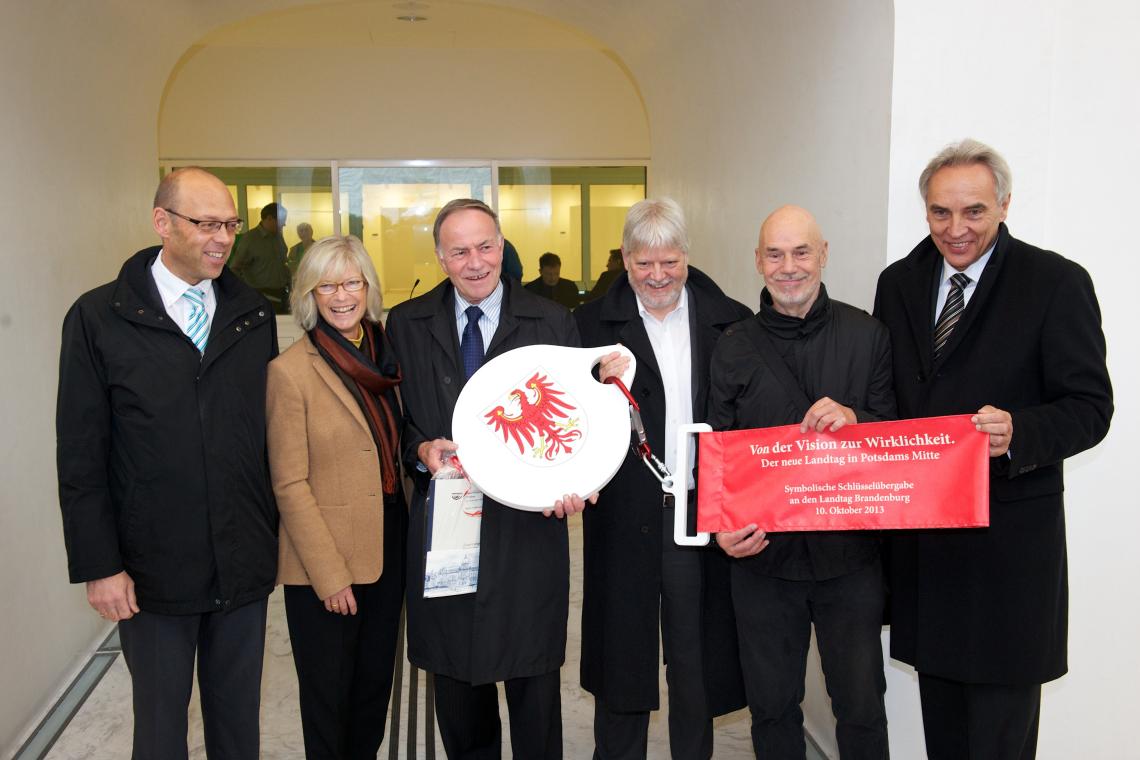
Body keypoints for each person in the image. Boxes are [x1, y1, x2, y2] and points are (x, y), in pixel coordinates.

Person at [873, 139, 1113, 759]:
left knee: (1002, 741)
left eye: (974, 212)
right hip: (928, 554)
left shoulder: (1055, 282)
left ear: (1004, 205)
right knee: (944, 737)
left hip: (1007, 557)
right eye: (940, 213)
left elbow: (1091, 407)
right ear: (924, 211)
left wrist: (1020, 433)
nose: (956, 230)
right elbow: (890, 400)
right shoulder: (897, 283)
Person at [56, 167, 278, 759]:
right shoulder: (98, 318)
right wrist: (100, 564)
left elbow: (262, 435)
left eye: (230, 224)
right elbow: (80, 454)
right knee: (159, 731)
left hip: (241, 563)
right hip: (151, 574)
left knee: (238, 728)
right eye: (207, 224)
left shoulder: (252, 316)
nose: (224, 239)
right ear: (163, 223)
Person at [385, 198, 587, 759]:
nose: (476, 262)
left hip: (527, 528)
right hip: (446, 524)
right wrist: (419, 447)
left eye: (486, 246)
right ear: (440, 257)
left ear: (503, 247)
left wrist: (577, 480)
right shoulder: (406, 323)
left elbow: (578, 424)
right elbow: (391, 426)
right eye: (459, 251)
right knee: (457, 683)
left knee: (533, 687)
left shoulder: (551, 321)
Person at [710, 205, 894, 759]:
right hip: (763, 560)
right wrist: (720, 527)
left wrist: (858, 421)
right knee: (771, 708)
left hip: (851, 559)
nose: (788, 267)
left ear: (823, 254)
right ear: (758, 261)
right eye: (775, 253)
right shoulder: (733, 343)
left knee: (861, 705)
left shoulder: (868, 334)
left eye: (801, 251)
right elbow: (714, 449)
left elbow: (901, 438)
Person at [575, 198, 750, 759]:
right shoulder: (586, 327)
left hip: (699, 514)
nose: (657, 276)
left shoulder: (733, 320)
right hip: (623, 513)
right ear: (625, 259)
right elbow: (568, 419)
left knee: (694, 658)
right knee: (623, 657)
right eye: (643, 264)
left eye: (668, 263)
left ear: (686, 256)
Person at [267, 235, 406, 759]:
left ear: (367, 287)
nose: (341, 295)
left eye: (352, 282)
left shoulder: (386, 358)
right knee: (329, 699)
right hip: (325, 564)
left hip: (388, 544)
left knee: (373, 689)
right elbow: (288, 483)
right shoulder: (289, 372)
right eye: (327, 285)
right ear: (310, 294)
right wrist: (329, 575)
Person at [230, 201, 291, 312]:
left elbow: (282, 263)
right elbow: (235, 269)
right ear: (269, 219)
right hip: (261, 297)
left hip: (282, 294)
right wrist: (247, 293)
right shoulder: (250, 239)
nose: (284, 224)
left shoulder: (278, 237)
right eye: (282, 221)